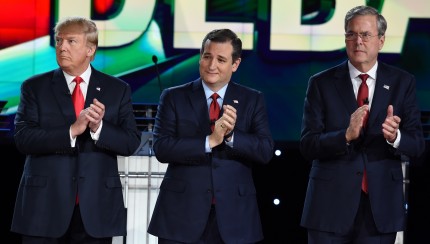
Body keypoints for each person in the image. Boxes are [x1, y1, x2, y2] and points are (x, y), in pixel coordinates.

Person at [299, 5, 425, 244]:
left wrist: (395, 137)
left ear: (381, 40)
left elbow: (417, 145)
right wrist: (345, 135)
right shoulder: (320, 83)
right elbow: (307, 145)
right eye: (351, 34)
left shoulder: (402, 82)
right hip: (329, 209)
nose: (358, 41)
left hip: (380, 210)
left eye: (365, 35)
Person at [11, 16, 141, 243]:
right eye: (59, 40)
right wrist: (72, 130)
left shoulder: (117, 89)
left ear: (90, 49)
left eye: (71, 41)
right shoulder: (34, 87)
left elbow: (130, 142)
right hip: (44, 208)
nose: (62, 47)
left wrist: (99, 127)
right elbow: (23, 138)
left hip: (95, 211)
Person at [147, 28, 274, 243]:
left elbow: (265, 150)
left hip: (234, 218)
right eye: (207, 56)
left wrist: (232, 136)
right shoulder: (173, 97)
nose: (212, 65)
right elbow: (161, 147)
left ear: (235, 64)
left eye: (221, 59)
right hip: (181, 216)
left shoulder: (252, 99)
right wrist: (209, 141)